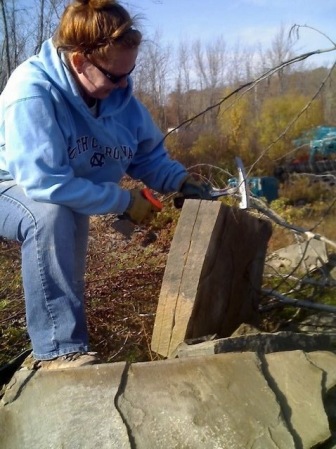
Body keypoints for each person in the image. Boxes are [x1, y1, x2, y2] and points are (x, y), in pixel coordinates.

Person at [0, 0, 211, 370]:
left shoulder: (119, 99)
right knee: (49, 216)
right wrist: (123, 201)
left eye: (129, 73)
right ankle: (57, 351)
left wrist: (180, 181)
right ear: (80, 61)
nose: (124, 83)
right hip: (11, 186)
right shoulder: (31, 92)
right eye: (115, 76)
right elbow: (44, 184)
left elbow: (145, 155)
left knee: (64, 219)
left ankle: (73, 343)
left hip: (59, 189)